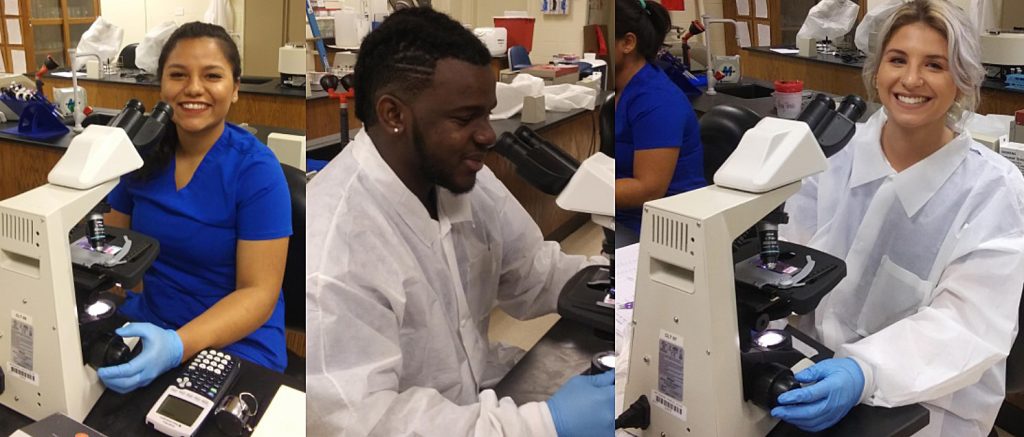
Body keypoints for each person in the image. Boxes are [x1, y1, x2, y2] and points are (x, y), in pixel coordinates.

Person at [305, 8, 613, 437]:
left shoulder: (460, 177)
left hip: (476, 395)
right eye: (465, 119)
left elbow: (533, 273)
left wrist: (623, 287)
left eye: (487, 113)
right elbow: (366, 424)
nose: (487, 135)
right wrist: (545, 425)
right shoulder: (334, 251)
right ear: (394, 115)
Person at [774, 1, 1024, 435]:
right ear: (876, 70)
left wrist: (864, 372)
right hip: (811, 370)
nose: (910, 80)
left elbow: (967, 325)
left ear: (963, 81)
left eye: (934, 65)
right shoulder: (832, 155)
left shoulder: (993, 190)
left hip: (933, 404)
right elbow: (782, 261)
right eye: (897, 60)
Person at [97, 22, 292, 393]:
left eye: (212, 75)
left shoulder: (256, 171)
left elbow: (258, 294)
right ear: (161, 85)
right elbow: (110, 246)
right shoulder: (143, 155)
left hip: (236, 343)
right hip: (151, 326)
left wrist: (176, 346)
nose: (193, 88)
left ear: (235, 88)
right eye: (178, 75)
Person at [614, 0, 705, 246]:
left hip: (668, 231)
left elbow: (648, 189)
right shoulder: (621, 90)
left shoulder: (657, 100)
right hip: (626, 218)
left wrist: (587, 190)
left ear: (628, 43)